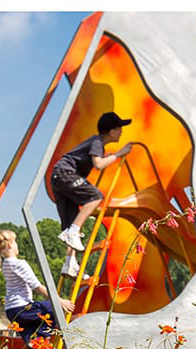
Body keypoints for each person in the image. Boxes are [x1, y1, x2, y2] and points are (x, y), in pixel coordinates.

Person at [0, 229, 75, 349]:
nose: (16, 244)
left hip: (13, 311)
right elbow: (37, 287)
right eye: (15, 241)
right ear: (9, 244)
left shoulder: (6, 264)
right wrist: (60, 301)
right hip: (22, 308)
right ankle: (43, 337)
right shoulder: (18, 263)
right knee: (51, 308)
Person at [49, 112, 134, 278]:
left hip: (59, 177)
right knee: (95, 197)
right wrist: (118, 154)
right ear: (111, 131)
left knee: (71, 220)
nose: (121, 132)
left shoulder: (96, 142)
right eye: (119, 128)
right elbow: (98, 164)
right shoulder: (97, 142)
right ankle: (73, 232)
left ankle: (70, 263)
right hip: (66, 173)